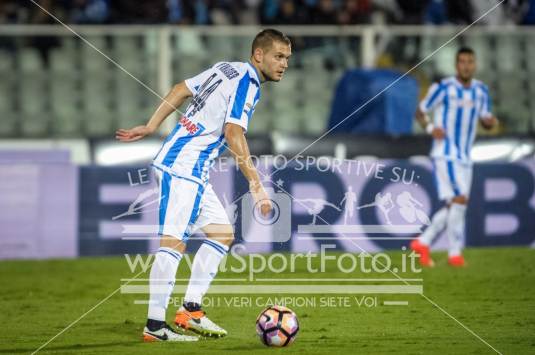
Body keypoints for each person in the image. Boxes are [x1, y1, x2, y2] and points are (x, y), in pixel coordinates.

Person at [116, 29, 291, 342]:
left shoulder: (226, 68)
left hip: (191, 168)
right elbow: (234, 133)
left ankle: (190, 311)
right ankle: (155, 327)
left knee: (222, 234)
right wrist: (256, 184)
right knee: (173, 244)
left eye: (287, 58)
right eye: (279, 56)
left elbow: (180, 89)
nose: (284, 64)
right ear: (258, 55)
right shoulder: (248, 82)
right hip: (185, 167)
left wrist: (153, 125)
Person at [410, 47, 498, 267]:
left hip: (465, 156)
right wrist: (431, 128)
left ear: (475, 64)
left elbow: (486, 120)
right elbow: (420, 111)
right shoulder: (444, 88)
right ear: (456, 65)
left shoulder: (481, 91)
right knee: (460, 200)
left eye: (470, 61)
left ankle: (423, 242)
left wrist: (490, 123)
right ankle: (455, 254)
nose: (466, 65)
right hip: (446, 153)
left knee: (455, 205)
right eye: (462, 61)